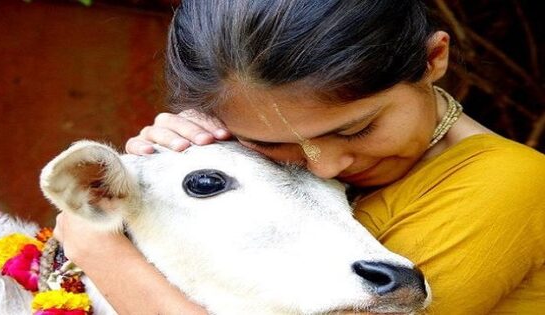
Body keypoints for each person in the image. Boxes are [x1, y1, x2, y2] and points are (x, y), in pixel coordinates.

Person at [54, 0, 545, 314]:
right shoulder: (264, 163)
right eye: (270, 143)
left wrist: (99, 249)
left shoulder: (509, 186)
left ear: (433, 59)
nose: (325, 165)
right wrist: (164, 177)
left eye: (356, 128)